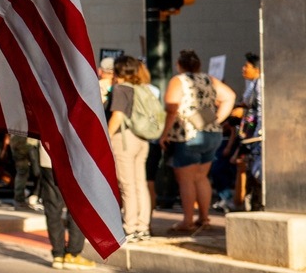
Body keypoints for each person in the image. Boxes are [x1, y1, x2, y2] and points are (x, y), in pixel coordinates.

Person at [163, 50, 234, 233]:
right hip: (211, 132)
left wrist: (164, 133)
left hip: (187, 133)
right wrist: (217, 119)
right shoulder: (209, 79)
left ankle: (187, 220)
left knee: (186, 179)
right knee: (202, 177)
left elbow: (171, 108)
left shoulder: (179, 81)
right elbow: (230, 96)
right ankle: (204, 217)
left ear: (179, 64)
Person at [105, 57, 156, 242]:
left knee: (127, 185)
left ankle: (130, 226)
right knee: (140, 183)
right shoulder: (143, 88)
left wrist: (107, 136)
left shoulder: (121, 89)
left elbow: (117, 116)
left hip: (124, 138)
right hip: (142, 138)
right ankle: (143, 226)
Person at [40, 145, 93, 268]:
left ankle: (58, 254)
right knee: (78, 205)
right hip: (75, 158)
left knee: (52, 206)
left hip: (49, 156)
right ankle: (73, 254)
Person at [231, 53, 262, 211]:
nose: (243, 69)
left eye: (247, 66)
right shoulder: (253, 84)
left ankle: (253, 203)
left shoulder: (260, 85)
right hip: (251, 134)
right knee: (247, 168)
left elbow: (259, 113)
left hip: (256, 135)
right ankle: (246, 203)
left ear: (257, 69)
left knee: (255, 170)